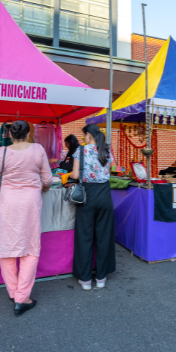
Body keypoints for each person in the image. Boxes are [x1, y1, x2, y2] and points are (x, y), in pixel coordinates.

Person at [0, 120, 52, 317]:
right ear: (28, 133)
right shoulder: (38, 149)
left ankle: (13, 293)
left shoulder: (2, 152)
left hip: (6, 203)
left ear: (11, 134)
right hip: (30, 204)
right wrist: (42, 187)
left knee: (6, 248)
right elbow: (48, 180)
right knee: (30, 248)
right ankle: (22, 297)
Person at [71, 124, 115, 290]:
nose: (83, 138)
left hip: (87, 196)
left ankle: (86, 279)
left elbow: (75, 175)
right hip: (104, 195)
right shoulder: (106, 150)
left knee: (85, 236)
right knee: (104, 237)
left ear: (88, 135)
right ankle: (101, 278)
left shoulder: (80, 151)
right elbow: (107, 172)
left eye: (84, 135)